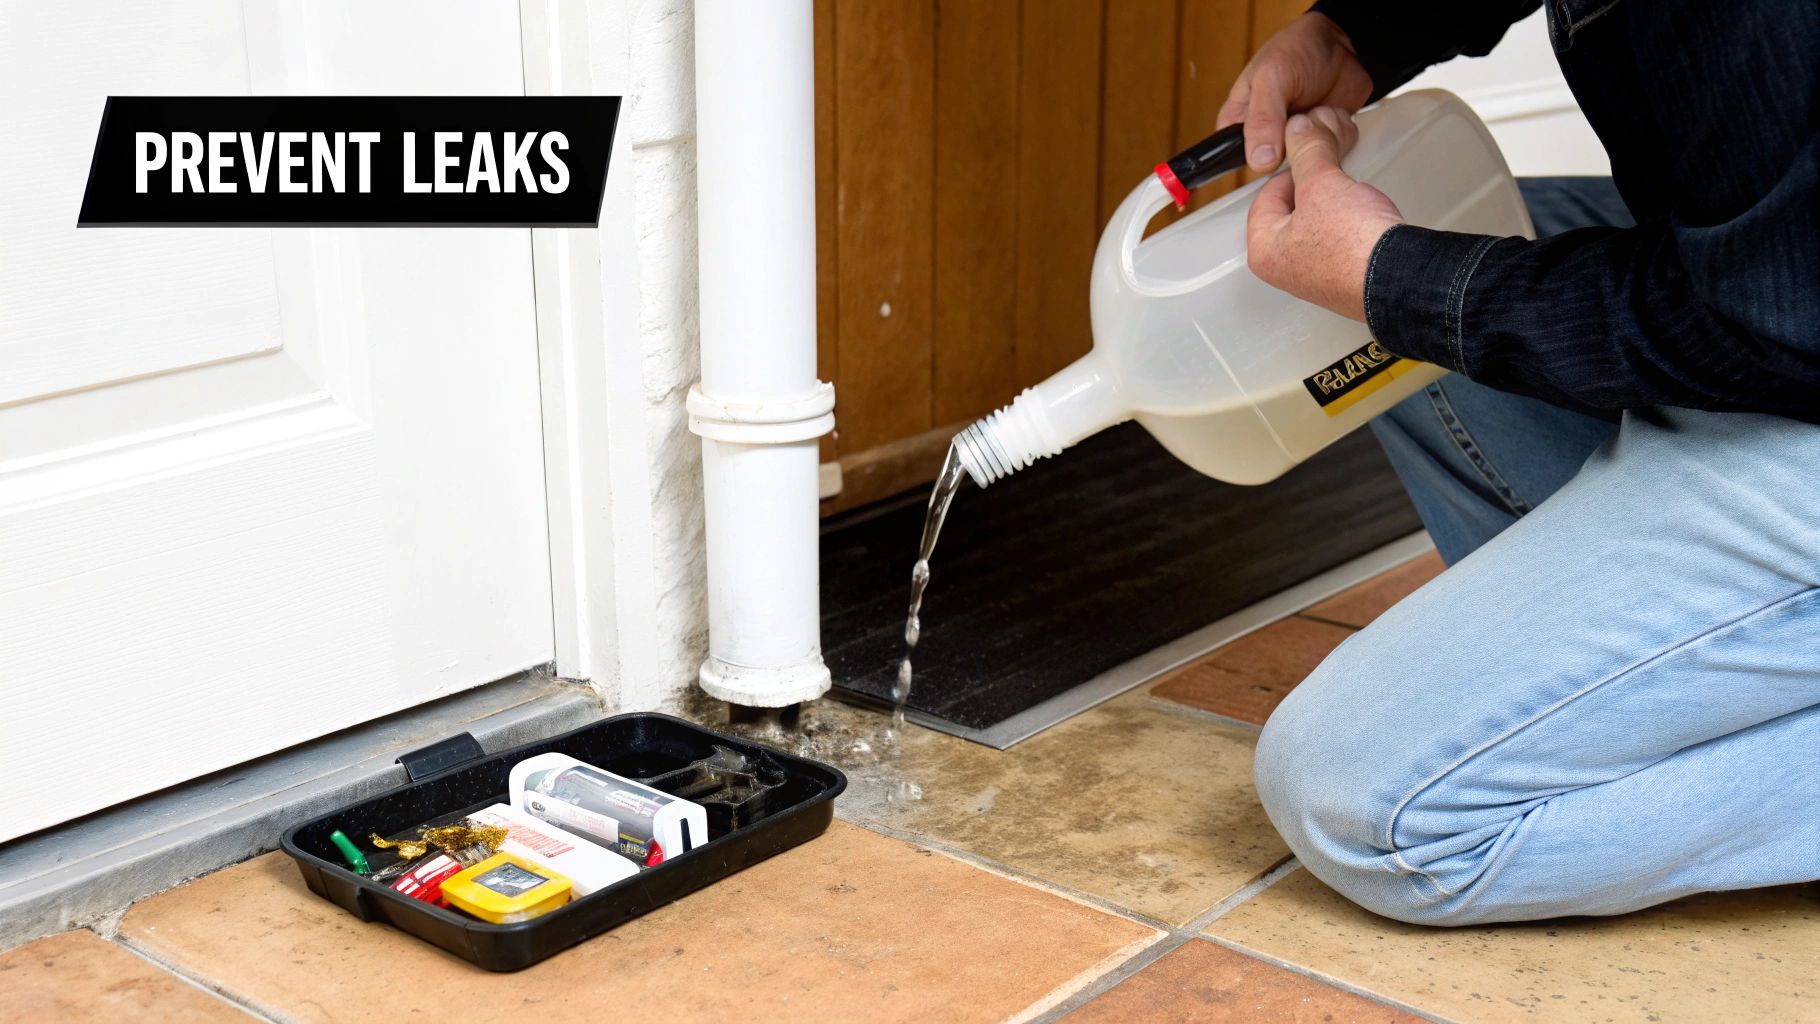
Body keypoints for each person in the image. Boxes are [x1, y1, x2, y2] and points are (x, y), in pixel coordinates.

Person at [1228, 1, 1820, 924]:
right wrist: (1356, 34)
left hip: (1791, 334)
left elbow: (1778, 321)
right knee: (1383, 289)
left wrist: (1396, 278)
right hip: (1780, 294)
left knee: (1361, 800)